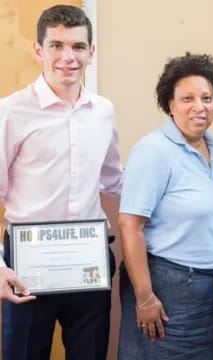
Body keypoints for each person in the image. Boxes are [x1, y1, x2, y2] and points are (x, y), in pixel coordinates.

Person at [0, 5, 123, 360]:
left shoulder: (103, 111)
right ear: (38, 50)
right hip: (26, 266)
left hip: (89, 262)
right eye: (56, 46)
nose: (68, 57)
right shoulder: (11, 111)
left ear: (91, 52)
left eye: (78, 47)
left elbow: (114, 179)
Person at [117, 53, 213, 360]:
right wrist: (145, 299)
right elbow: (130, 226)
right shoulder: (154, 151)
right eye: (187, 98)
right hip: (168, 289)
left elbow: (210, 216)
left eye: (207, 98)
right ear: (169, 105)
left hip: (208, 293)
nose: (199, 106)